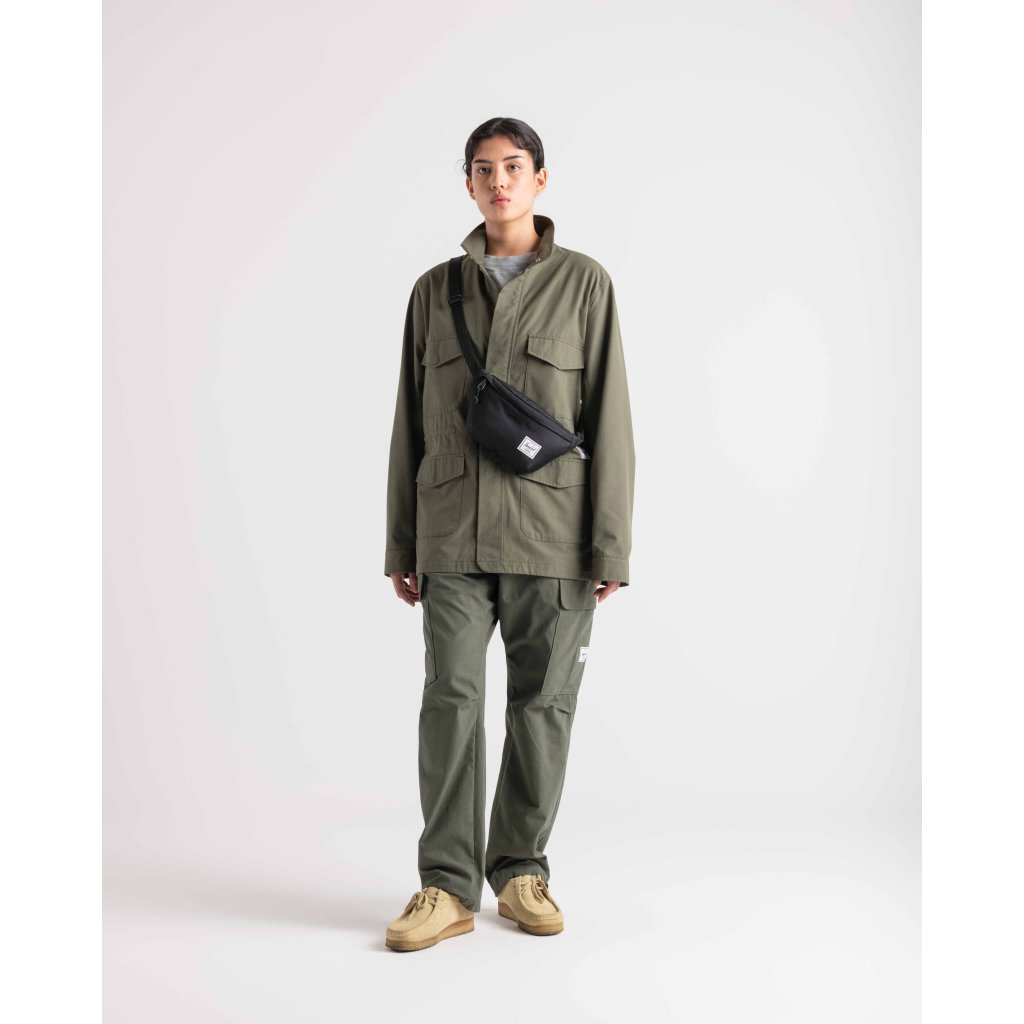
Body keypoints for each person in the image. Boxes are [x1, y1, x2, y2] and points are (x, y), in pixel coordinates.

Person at [382, 116, 636, 951]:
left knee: (543, 708)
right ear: (468, 184)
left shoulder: (585, 285)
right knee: (449, 703)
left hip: (553, 536)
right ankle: (445, 887)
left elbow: (611, 418)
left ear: (540, 179)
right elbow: (408, 424)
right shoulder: (434, 292)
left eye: (514, 167)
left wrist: (610, 545)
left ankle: (521, 870)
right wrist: (402, 543)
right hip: (452, 534)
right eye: (484, 169)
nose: (499, 182)